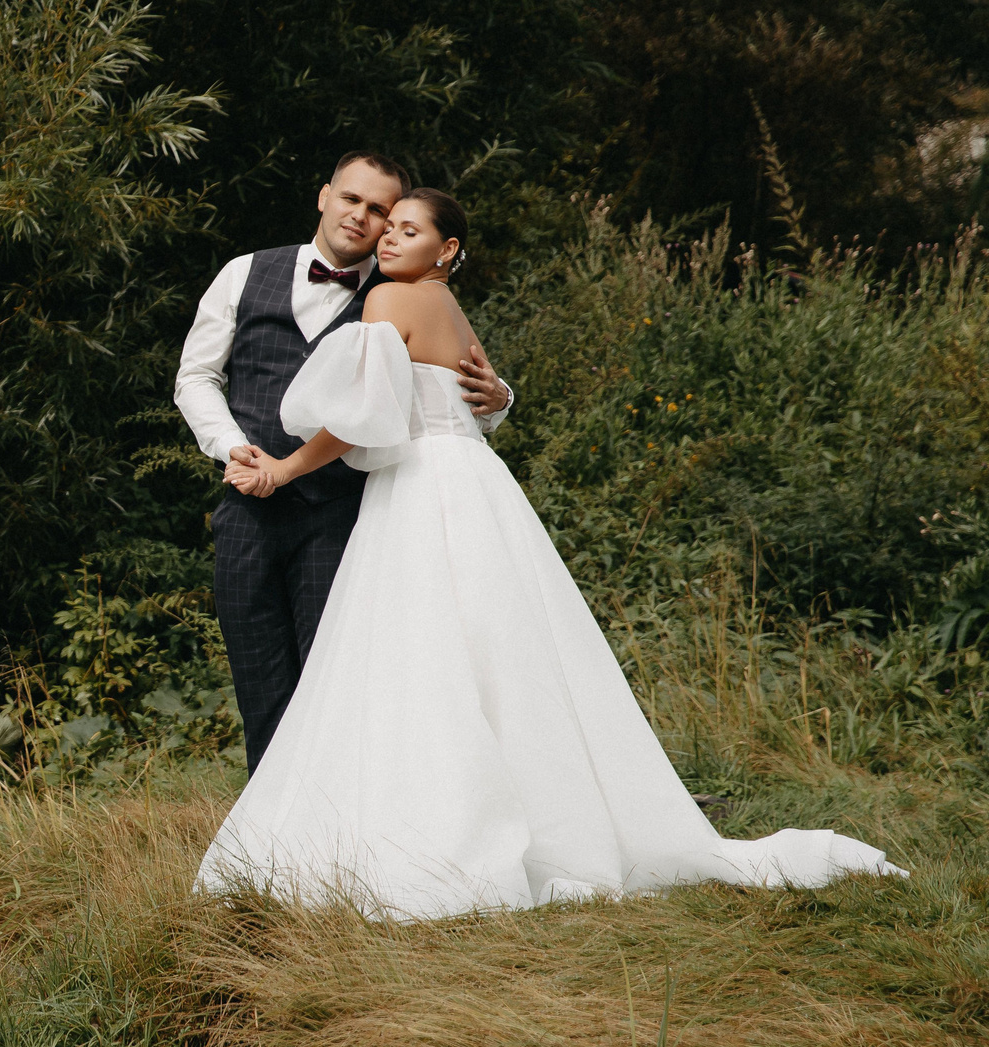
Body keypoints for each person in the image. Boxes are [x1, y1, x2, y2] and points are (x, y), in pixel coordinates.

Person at [197, 188, 905, 920]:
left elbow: (358, 420)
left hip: (421, 488)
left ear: (447, 251)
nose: (389, 239)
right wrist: (496, 391)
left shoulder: (389, 304)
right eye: (390, 226)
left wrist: (282, 468)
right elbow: (474, 396)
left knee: (420, 651)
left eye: (410, 229)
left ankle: (432, 823)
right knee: (501, 651)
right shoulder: (449, 307)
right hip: (475, 484)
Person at [174, 153, 513, 770]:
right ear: (325, 196)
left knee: (336, 680)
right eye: (352, 199)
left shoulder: (398, 291)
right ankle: (268, 841)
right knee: (257, 677)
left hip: (345, 514)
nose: (363, 217)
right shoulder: (243, 273)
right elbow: (196, 376)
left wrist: (503, 397)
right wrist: (231, 447)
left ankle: (336, 832)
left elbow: (454, 388)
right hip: (247, 510)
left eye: (380, 210)